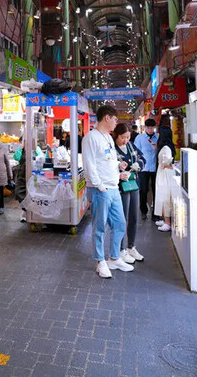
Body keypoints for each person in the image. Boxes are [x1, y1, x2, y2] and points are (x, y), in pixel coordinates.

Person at [82, 105, 133, 279]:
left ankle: (114, 257)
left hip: (113, 187)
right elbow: (89, 166)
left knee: (119, 224)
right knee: (99, 227)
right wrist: (99, 185)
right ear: (107, 118)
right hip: (100, 189)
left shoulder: (108, 138)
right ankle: (100, 261)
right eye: (115, 119)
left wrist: (118, 168)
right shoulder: (90, 138)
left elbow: (107, 160)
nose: (116, 122)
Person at [112, 123, 145, 264]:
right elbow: (107, 167)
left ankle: (131, 246)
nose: (125, 140)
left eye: (128, 137)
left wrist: (138, 166)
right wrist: (118, 172)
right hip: (121, 188)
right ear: (116, 136)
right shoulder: (112, 149)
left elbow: (142, 158)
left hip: (134, 186)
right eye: (123, 137)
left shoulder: (131, 146)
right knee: (121, 219)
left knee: (133, 217)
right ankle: (120, 250)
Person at [133, 118, 158, 220]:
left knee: (156, 190)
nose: (150, 129)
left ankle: (155, 213)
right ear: (145, 128)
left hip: (155, 167)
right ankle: (143, 211)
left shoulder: (158, 137)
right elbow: (135, 151)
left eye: (152, 127)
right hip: (143, 168)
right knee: (143, 190)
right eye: (148, 127)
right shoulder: (140, 138)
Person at [154, 126, 176, 232]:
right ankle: (164, 219)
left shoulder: (166, 148)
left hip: (164, 174)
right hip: (163, 173)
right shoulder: (167, 146)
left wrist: (165, 164)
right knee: (163, 196)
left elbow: (167, 163)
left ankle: (167, 222)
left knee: (164, 197)